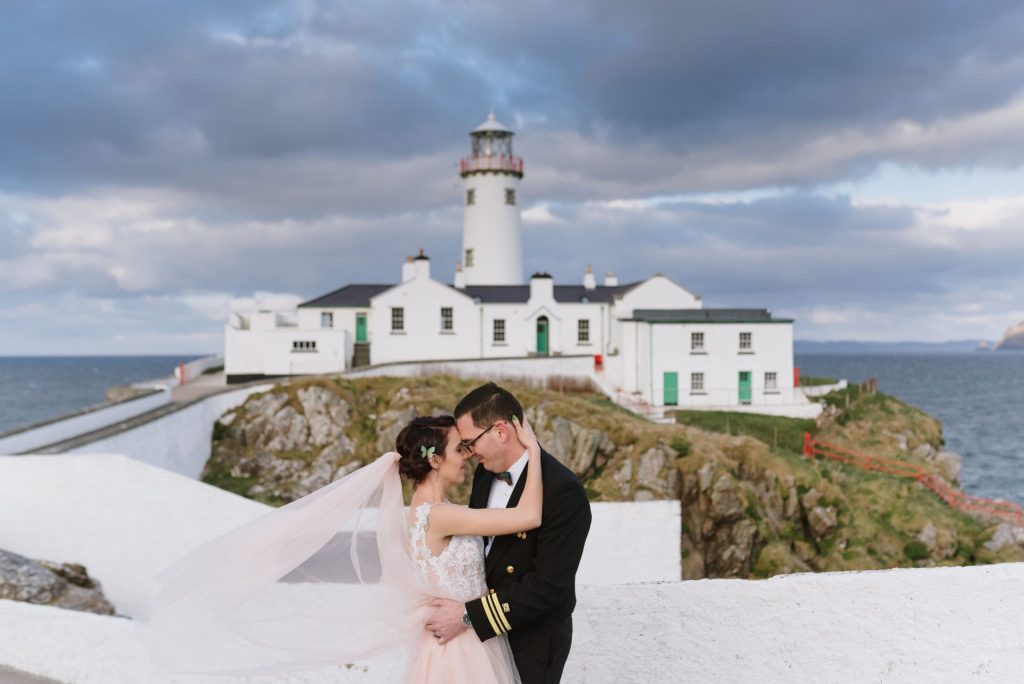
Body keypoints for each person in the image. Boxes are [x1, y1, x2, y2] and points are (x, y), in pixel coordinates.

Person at [143, 410, 546, 684]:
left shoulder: (420, 513)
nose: (468, 456)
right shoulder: (442, 516)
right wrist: (534, 453)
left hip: (449, 641)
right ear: (436, 460)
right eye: (460, 449)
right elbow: (528, 516)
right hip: (459, 651)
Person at [426, 382, 592, 684]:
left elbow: (549, 587)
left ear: (501, 432)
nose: (468, 453)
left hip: (531, 640)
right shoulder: (485, 474)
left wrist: (469, 615)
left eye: (470, 443)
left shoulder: (562, 489)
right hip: (481, 637)